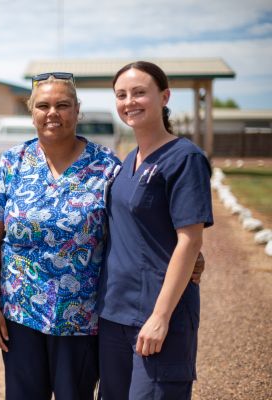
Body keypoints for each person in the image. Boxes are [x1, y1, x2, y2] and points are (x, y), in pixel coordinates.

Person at [0, 72, 119, 400]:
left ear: (77, 111)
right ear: (32, 112)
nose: (52, 112)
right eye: (43, 105)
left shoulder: (106, 168)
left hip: (81, 317)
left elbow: (128, 233)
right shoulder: (11, 165)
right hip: (20, 313)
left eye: (63, 105)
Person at [97, 61, 214, 399]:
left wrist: (160, 317)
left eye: (139, 92)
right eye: (121, 95)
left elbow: (190, 240)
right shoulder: (128, 159)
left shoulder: (184, 158)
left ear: (164, 96)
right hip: (113, 313)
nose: (129, 101)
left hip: (158, 312)